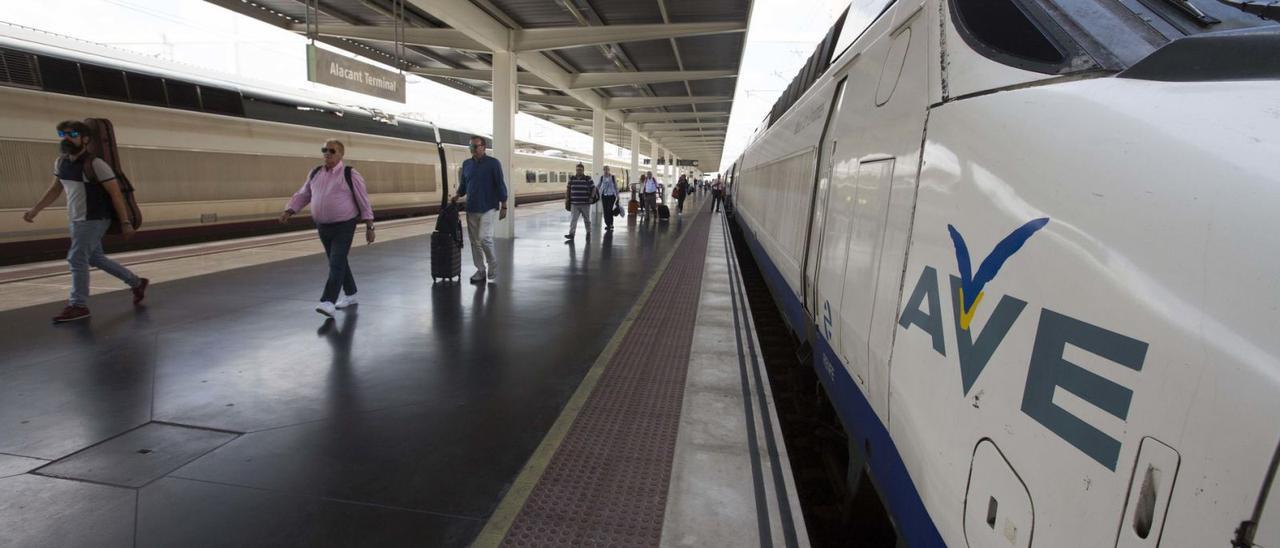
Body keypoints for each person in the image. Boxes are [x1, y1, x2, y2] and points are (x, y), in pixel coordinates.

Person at [24, 120, 149, 323]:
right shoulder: (61, 162)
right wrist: (35, 209)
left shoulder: (96, 164)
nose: (66, 138)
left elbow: (116, 194)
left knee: (76, 258)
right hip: (76, 218)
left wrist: (125, 222)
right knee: (95, 258)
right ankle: (136, 282)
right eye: (62, 134)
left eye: (72, 134)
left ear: (85, 139)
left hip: (95, 218)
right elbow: (56, 188)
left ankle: (78, 305)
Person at [280, 139, 375, 317]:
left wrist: (370, 225)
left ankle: (328, 301)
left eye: (331, 151)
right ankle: (351, 294)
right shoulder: (315, 173)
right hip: (323, 226)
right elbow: (304, 194)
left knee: (336, 262)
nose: (327, 154)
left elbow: (363, 199)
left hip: (344, 224)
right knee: (338, 261)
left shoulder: (350, 174)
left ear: (341, 154)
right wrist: (290, 210)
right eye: (324, 150)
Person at [451, 136, 509, 284]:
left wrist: (504, 204)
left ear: (483, 147)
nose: (472, 149)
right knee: (474, 241)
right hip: (471, 207)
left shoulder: (493, 164)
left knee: (484, 238)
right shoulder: (467, 164)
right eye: (471, 147)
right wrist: (457, 195)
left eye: (475, 147)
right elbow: (464, 184)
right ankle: (480, 270)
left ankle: (493, 263)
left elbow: (500, 184)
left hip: (488, 206)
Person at [564, 163, 596, 241]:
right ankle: (571, 234)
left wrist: (591, 197)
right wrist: (567, 198)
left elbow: (594, 188)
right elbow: (568, 189)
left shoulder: (588, 178)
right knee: (573, 220)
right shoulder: (572, 178)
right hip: (574, 203)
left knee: (587, 219)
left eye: (580, 170)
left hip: (585, 203)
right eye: (577, 170)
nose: (578, 171)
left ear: (583, 170)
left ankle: (588, 232)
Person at [597, 165, 619, 231]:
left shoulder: (612, 177)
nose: (606, 171)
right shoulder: (601, 177)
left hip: (611, 196)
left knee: (609, 210)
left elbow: (616, 186)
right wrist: (594, 190)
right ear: (603, 170)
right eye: (605, 170)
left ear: (609, 170)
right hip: (604, 196)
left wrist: (618, 196)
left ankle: (611, 224)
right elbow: (599, 185)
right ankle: (608, 224)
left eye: (607, 170)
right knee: (605, 211)